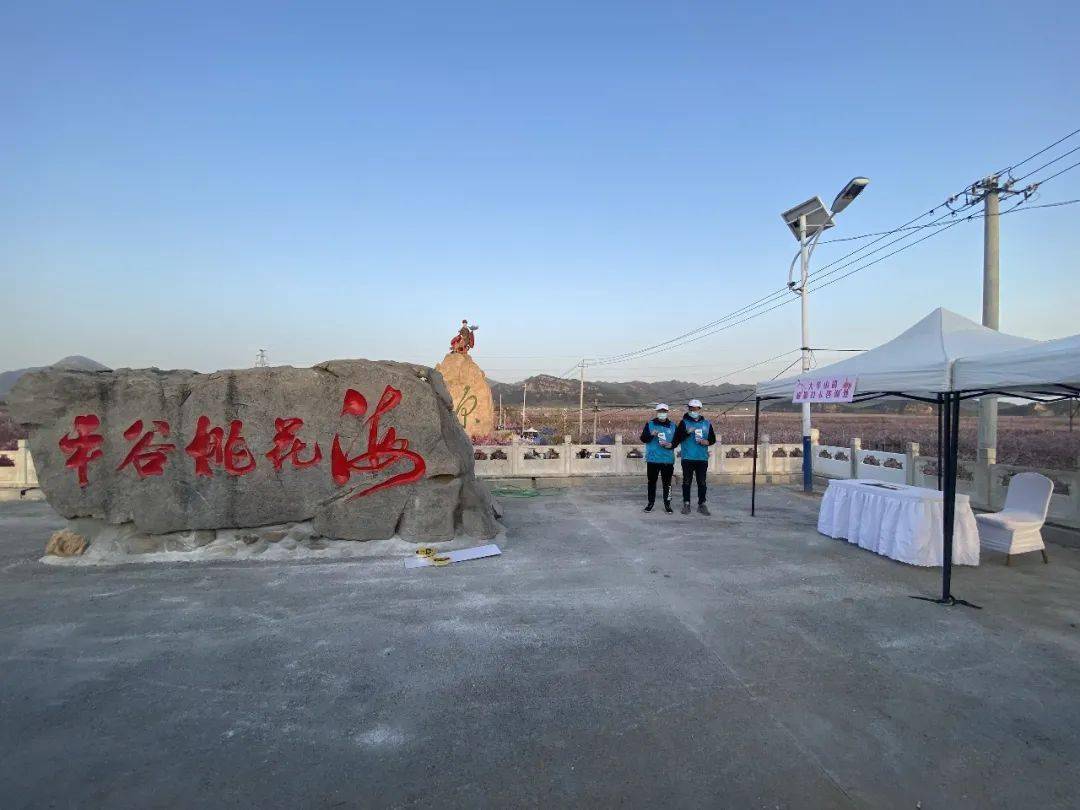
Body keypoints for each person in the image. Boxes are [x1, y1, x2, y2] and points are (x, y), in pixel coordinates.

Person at [672, 398, 717, 515]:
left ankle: (702, 504)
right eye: (692, 409)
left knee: (702, 482)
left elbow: (712, 439)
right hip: (688, 458)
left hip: (702, 458)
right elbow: (677, 439)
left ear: (699, 409)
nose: (694, 411)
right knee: (687, 482)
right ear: (689, 409)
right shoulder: (684, 423)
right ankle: (686, 503)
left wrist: (707, 442)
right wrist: (687, 432)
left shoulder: (706, 423)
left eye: (696, 409)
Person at [639, 403, 676, 513]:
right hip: (653, 459)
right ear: (657, 412)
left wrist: (671, 445)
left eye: (664, 411)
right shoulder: (650, 424)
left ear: (667, 412)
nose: (662, 413)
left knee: (667, 484)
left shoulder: (673, 426)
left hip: (667, 460)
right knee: (651, 482)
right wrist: (651, 434)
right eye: (660, 411)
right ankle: (650, 503)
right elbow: (643, 439)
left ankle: (667, 504)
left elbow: (677, 440)